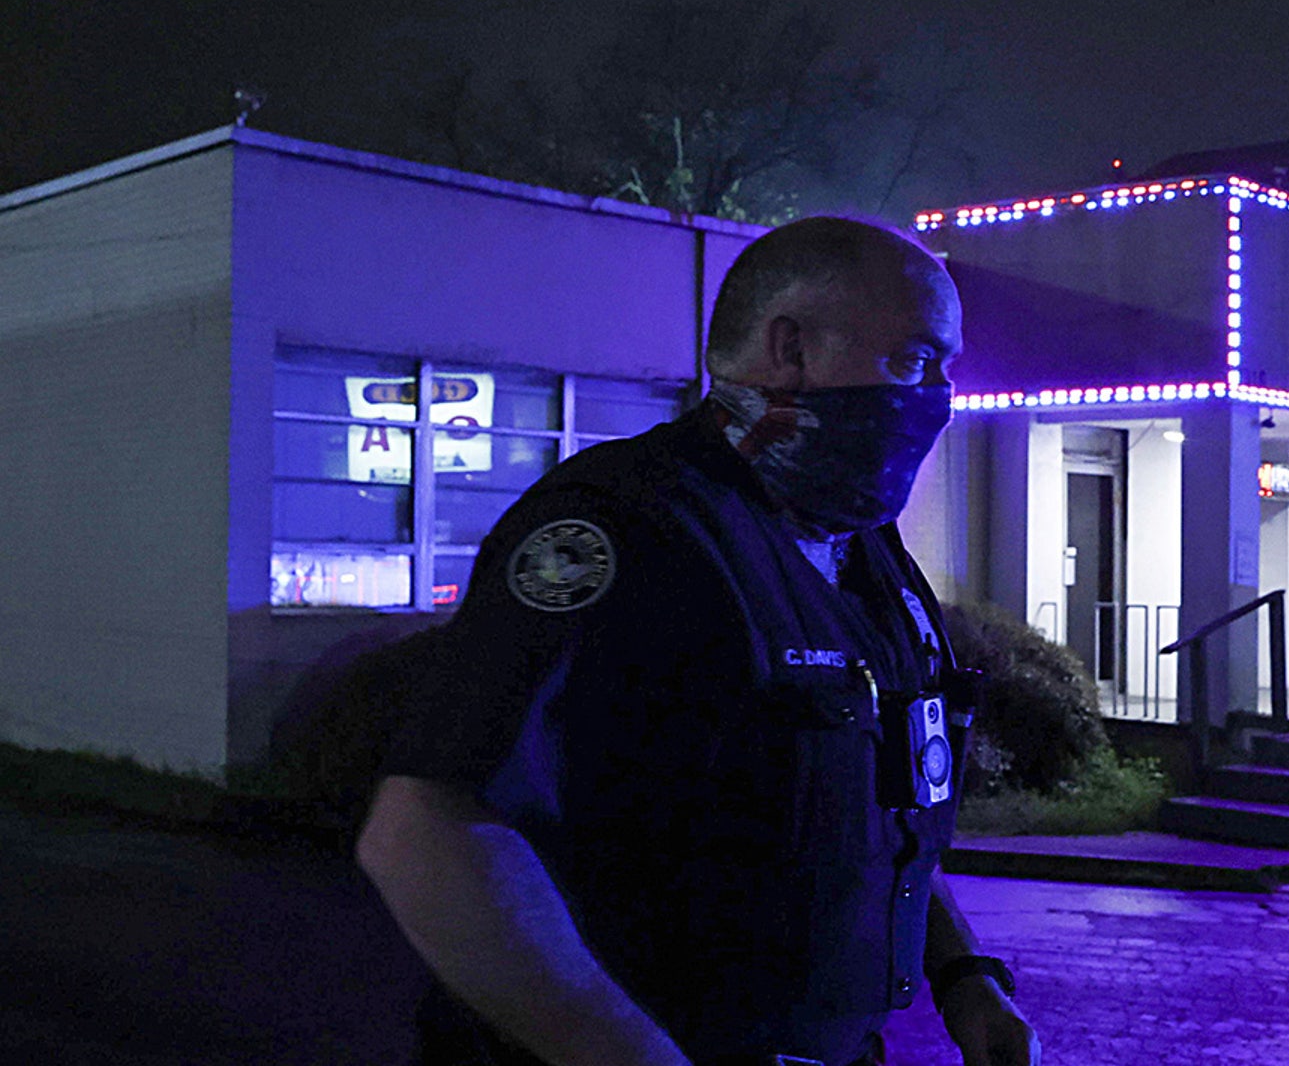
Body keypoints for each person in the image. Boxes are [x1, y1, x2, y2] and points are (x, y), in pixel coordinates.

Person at [354, 217, 1041, 1066]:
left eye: (945, 367)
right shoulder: (625, 527)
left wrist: (964, 979)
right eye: (913, 360)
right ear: (789, 349)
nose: (938, 395)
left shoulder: (865, 554)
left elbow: (880, 814)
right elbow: (424, 828)